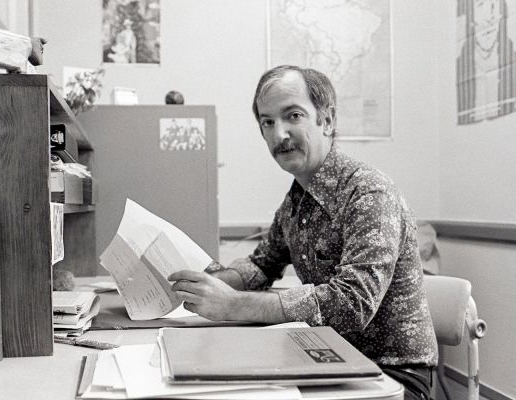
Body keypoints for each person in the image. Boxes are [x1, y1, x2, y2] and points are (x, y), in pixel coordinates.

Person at [168, 65, 438, 399]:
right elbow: (262, 264)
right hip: (324, 357)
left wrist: (233, 305)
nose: (278, 134)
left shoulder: (368, 192)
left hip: (391, 374)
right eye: (267, 122)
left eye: (292, 116)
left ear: (327, 120)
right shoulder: (296, 200)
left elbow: (352, 304)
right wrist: (204, 282)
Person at [457, 0, 516, 124]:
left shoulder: (511, 59)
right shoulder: (459, 68)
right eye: (481, 5)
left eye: (495, 6)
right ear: (470, 16)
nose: (490, 17)